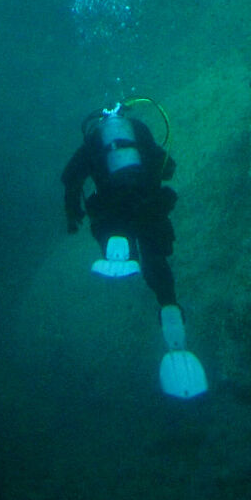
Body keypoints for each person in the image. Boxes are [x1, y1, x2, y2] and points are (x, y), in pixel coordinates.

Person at [62, 102, 207, 398]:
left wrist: (72, 212)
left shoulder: (93, 139)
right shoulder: (139, 129)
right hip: (148, 206)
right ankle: (169, 310)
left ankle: (119, 248)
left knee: (110, 223)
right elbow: (167, 167)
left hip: (113, 209)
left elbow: (70, 178)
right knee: (157, 262)